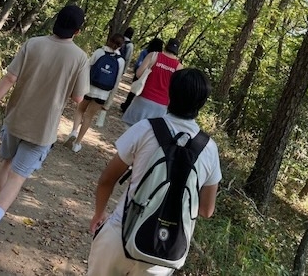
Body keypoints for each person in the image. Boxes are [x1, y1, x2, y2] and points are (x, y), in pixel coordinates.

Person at [0, 5, 89, 259]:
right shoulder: (79, 58)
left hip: (16, 119)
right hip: (43, 128)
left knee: (5, 163)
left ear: (56, 22)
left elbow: (9, 78)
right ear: (77, 31)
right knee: (18, 177)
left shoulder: (33, 43)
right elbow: (79, 97)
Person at [87, 68, 222, 275]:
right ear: (202, 104)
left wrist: (99, 214)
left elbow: (107, 179)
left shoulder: (146, 128)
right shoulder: (209, 148)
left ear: (170, 94)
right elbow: (206, 210)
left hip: (119, 236)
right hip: (163, 253)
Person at [64, 33, 125, 152]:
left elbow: (87, 67)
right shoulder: (121, 61)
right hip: (103, 93)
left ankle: (74, 131)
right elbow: (117, 82)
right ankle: (77, 143)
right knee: (89, 116)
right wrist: (109, 102)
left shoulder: (99, 52)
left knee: (80, 110)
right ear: (120, 46)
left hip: (89, 87)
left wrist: (78, 84)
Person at [121, 38, 182, 128]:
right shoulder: (179, 67)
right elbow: (176, 90)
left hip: (144, 98)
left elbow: (138, 74)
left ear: (166, 46)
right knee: (150, 134)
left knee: (131, 129)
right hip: (161, 105)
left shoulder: (153, 56)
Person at [120, 37, 164, 113]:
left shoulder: (145, 52)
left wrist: (137, 70)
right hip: (150, 77)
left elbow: (138, 63)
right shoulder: (160, 57)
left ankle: (126, 106)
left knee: (133, 91)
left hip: (140, 73)